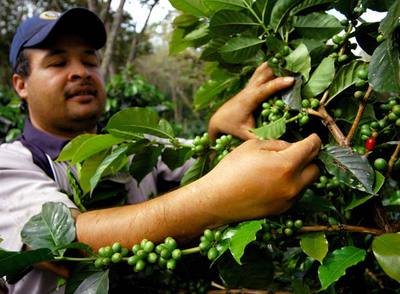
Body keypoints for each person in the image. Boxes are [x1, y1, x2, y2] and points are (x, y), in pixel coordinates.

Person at [0, 7, 321, 294]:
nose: (81, 72)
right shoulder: (10, 163)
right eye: (57, 62)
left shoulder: (130, 149)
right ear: (21, 85)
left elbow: (206, 172)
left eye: (89, 60)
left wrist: (215, 130)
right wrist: (214, 200)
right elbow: (64, 240)